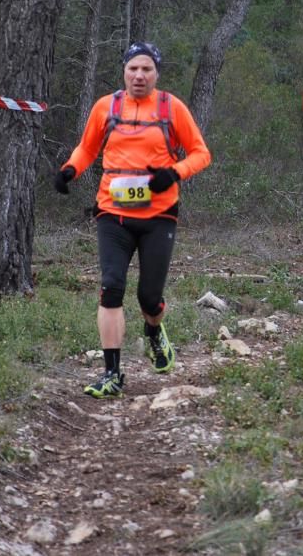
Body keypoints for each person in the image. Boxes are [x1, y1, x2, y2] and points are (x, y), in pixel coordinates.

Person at [53, 42, 211, 398]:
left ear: (157, 73)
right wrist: (69, 170)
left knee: (149, 298)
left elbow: (201, 153)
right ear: (123, 71)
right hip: (112, 212)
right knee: (111, 287)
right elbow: (88, 148)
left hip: (159, 216)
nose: (139, 76)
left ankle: (154, 331)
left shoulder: (172, 108)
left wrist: (174, 173)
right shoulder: (105, 107)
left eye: (147, 70)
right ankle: (112, 373)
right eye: (133, 69)